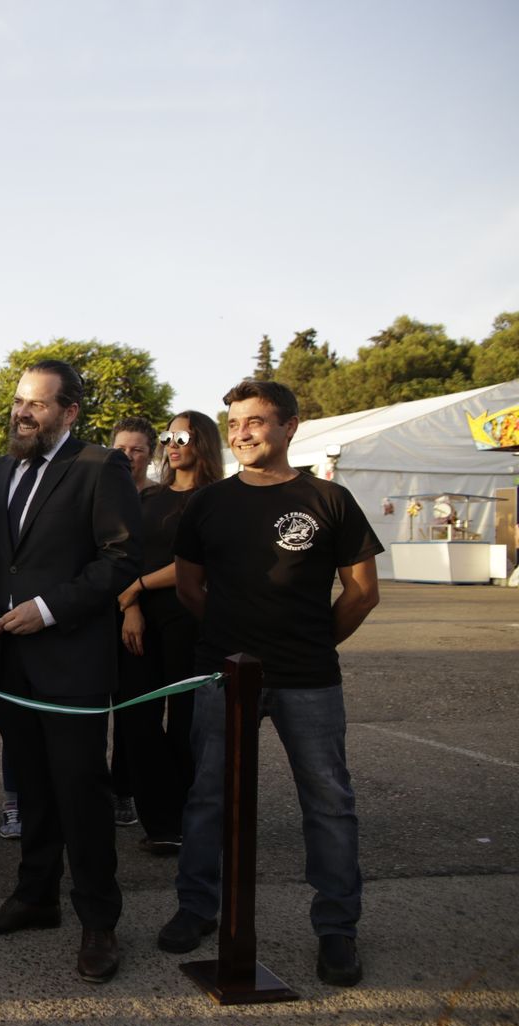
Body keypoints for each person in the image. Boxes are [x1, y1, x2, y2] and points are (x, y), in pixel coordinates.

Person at [160, 380, 381, 988]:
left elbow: (363, 592)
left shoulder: (329, 499)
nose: (242, 433)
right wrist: (236, 653)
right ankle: (196, 907)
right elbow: (188, 589)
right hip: (223, 677)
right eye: (234, 423)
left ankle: (337, 928)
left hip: (310, 680)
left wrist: (309, 645)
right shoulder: (207, 504)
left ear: (289, 427)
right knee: (207, 796)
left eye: (256, 421)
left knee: (329, 802)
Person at [0, 359, 141, 984]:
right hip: (7, 662)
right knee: (31, 786)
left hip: (70, 663)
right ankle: (35, 898)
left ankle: (99, 922)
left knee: (80, 792)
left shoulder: (100, 465)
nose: (22, 413)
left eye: (36, 404)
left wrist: (49, 608)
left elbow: (120, 560)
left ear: (69, 412)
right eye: (18, 402)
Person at [114, 412, 222, 855]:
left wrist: (137, 587)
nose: (171, 444)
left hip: (189, 623)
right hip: (137, 622)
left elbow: (197, 565)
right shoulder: (150, 497)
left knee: (185, 725)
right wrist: (132, 606)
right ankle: (160, 818)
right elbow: (125, 555)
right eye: (167, 436)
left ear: (203, 442)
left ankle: (187, 819)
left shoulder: (216, 498)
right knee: (135, 721)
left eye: (182, 436)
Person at [107, 416, 158, 829]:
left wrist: (131, 607)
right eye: (121, 448)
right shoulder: (98, 493)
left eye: (137, 449)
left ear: (150, 455)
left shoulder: (158, 501)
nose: (127, 456)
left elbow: (146, 563)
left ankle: (124, 791)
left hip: (139, 620)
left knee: (132, 713)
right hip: (96, 617)